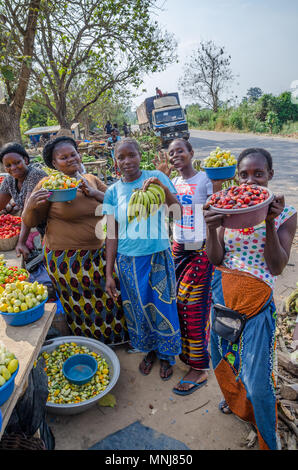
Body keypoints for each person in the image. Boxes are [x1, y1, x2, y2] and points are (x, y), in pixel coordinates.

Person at [203, 148, 297, 450]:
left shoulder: (286, 215)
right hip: (223, 297)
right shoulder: (227, 210)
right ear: (237, 177)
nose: (251, 180)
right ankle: (236, 402)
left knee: (258, 383)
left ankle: (268, 439)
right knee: (222, 360)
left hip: (256, 305)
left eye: (259, 173)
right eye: (244, 174)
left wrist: (269, 222)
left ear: (270, 174)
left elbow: (277, 266)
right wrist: (211, 226)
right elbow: (216, 258)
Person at [22, 136, 129, 345]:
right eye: (63, 157)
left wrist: (96, 193)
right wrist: (30, 206)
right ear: (54, 163)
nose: (71, 159)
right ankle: (88, 344)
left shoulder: (90, 179)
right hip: (64, 259)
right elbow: (32, 220)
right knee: (78, 304)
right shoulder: (48, 185)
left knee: (108, 298)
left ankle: (115, 341)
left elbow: (117, 207)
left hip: (98, 255)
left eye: (73, 154)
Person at [102, 138, 183, 380]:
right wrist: (109, 272)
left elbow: (176, 211)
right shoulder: (112, 192)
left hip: (158, 254)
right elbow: (111, 234)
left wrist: (164, 187)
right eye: (121, 157)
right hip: (127, 260)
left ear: (140, 155)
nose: (127, 161)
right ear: (115, 161)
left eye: (131, 155)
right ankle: (148, 350)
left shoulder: (155, 178)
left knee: (163, 306)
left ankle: (167, 355)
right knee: (137, 309)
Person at [153, 139, 214, 395]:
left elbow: (216, 212)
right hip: (178, 248)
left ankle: (198, 368)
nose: (176, 155)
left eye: (180, 150)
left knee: (193, 306)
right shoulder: (174, 183)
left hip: (201, 249)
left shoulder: (204, 180)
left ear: (191, 153)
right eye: (171, 153)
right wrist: (163, 182)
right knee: (178, 304)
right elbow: (172, 213)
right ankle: (186, 356)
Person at [0, 142, 48, 256]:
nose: (13, 168)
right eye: (8, 165)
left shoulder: (35, 175)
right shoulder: (10, 180)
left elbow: (29, 209)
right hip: (40, 225)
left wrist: (21, 243)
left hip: (54, 224)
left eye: (17, 162)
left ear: (25, 160)